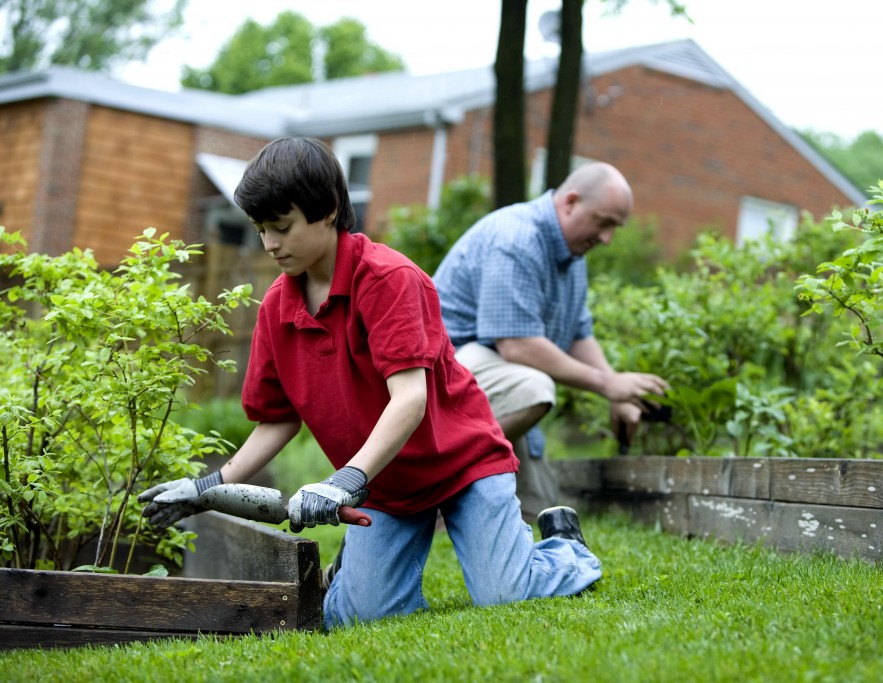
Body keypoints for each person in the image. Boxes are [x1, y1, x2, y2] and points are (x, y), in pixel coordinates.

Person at [137, 137, 601, 628]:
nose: (270, 244)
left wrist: (344, 480)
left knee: (506, 595)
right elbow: (277, 421)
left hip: (462, 466)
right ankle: (358, 575)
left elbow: (410, 399)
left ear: (330, 210)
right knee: (362, 617)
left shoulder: (389, 280)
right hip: (384, 486)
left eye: (282, 227)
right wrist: (204, 487)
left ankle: (563, 548)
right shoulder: (277, 307)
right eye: (261, 230)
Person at [432, 163, 669, 519]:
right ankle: (434, 484)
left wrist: (620, 392)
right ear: (571, 202)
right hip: (439, 381)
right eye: (603, 222)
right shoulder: (517, 238)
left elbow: (578, 333)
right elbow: (517, 345)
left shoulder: (572, 255)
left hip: (492, 382)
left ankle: (468, 494)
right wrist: (606, 384)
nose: (607, 239)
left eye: (614, 228)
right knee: (533, 388)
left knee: (542, 509)